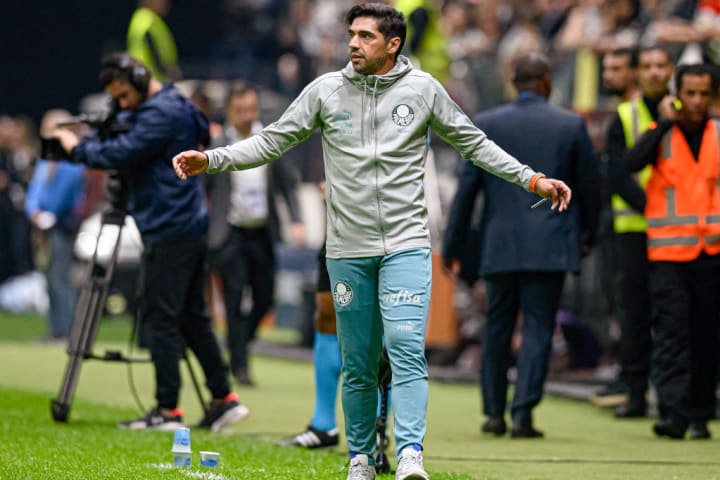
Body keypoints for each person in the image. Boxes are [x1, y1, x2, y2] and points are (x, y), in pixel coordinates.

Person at [173, 4, 570, 479]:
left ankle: (409, 456)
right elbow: (271, 140)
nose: (354, 44)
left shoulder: (423, 90)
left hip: (405, 243)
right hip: (347, 250)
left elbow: (473, 142)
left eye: (365, 36)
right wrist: (211, 159)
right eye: (352, 35)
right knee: (358, 362)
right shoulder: (326, 91)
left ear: (393, 44)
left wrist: (531, 179)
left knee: (405, 345)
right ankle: (360, 458)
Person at [52, 52, 248, 432]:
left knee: (161, 317)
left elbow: (120, 153)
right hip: (186, 224)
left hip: (169, 227)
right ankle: (224, 398)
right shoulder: (176, 103)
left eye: (124, 96)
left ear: (140, 82)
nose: (121, 105)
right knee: (191, 316)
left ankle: (167, 409)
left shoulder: (160, 113)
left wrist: (74, 147)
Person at [442, 51, 601, 439]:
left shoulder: (488, 123)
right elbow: (590, 190)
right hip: (550, 246)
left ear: (514, 82)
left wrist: (453, 246)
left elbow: (467, 192)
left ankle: (494, 413)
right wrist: (586, 238)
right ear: (547, 81)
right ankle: (523, 414)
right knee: (538, 328)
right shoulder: (570, 125)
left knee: (496, 327)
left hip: (500, 245)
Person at [625, 63, 720, 440]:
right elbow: (631, 163)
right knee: (671, 335)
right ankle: (673, 413)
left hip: (710, 252)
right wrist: (662, 122)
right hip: (668, 255)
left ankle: (699, 413)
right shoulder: (661, 133)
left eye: (703, 94)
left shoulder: (718, 134)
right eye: (689, 93)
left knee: (707, 335)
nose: (696, 101)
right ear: (676, 94)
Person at [592, 46, 674, 417]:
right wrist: (654, 210)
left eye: (661, 66)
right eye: (648, 66)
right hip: (636, 230)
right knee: (635, 315)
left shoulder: (689, 112)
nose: (656, 73)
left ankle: (679, 397)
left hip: (679, 233)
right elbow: (618, 176)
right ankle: (637, 393)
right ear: (638, 74)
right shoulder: (626, 117)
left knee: (675, 317)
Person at [205, 85, 306, 386]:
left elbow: (288, 184)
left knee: (264, 297)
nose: (247, 116)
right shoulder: (218, 143)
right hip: (229, 233)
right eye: (241, 110)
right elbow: (204, 190)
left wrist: (296, 219)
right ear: (230, 111)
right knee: (234, 299)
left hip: (262, 231)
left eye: (252, 109)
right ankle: (240, 366)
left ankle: (238, 343)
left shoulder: (271, 139)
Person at [25, 109, 86, 341]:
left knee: (61, 278)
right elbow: (36, 191)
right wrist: (35, 213)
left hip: (62, 226)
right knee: (49, 279)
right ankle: (55, 330)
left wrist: (49, 215)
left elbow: (64, 195)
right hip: (42, 226)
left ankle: (68, 331)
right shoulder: (46, 159)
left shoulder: (72, 162)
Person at [278, 238, 342, 448]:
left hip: (385, 234)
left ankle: (376, 428)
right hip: (340, 231)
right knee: (325, 316)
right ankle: (323, 427)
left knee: (374, 323)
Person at [127, 0, 181, 82]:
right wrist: (166, 72)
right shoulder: (146, 19)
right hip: (151, 79)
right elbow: (152, 48)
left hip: (149, 79)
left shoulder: (150, 18)